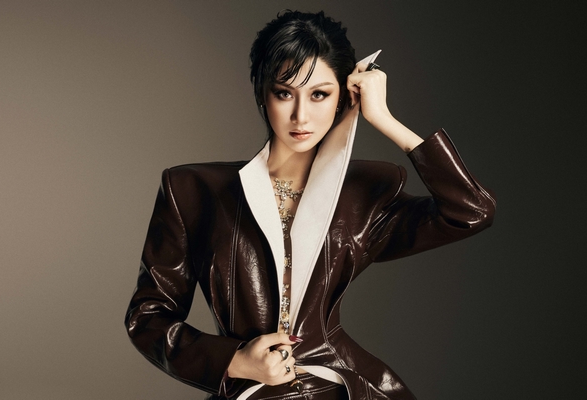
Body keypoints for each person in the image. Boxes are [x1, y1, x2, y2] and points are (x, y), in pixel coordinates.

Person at [125, 10, 496, 400]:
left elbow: (471, 211)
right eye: (284, 93)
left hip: (344, 387)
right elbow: (148, 317)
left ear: (342, 98)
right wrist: (235, 361)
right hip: (249, 391)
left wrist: (384, 119)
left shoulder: (363, 197)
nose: (300, 116)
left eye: (319, 94)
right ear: (263, 95)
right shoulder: (193, 191)